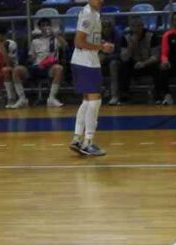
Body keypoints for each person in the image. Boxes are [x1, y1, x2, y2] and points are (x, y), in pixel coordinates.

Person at [70, 0, 115, 157]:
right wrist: (102, 47)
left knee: (87, 101)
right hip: (86, 62)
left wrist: (101, 43)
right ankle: (88, 142)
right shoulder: (89, 13)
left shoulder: (93, 12)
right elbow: (79, 41)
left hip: (85, 61)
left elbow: (88, 39)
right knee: (95, 101)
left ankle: (77, 138)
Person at [109, 17, 158, 105]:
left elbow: (155, 56)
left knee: (158, 66)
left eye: (139, 26)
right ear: (130, 27)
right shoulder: (125, 37)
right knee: (122, 66)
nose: (136, 29)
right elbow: (124, 57)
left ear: (143, 26)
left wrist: (144, 63)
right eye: (133, 26)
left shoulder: (151, 36)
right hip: (133, 65)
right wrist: (131, 46)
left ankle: (159, 94)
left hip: (148, 63)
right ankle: (124, 94)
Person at [0, 28, 28, 109]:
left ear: (5, 35)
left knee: (5, 70)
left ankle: (11, 99)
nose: (0, 37)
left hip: (11, 67)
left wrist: (3, 50)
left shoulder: (11, 44)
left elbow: (9, 63)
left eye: (2, 35)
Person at [27, 18, 66, 107]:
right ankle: (21, 99)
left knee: (59, 68)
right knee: (21, 70)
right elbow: (31, 58)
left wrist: (55, 34)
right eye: (43, 26)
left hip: (50, 67)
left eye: (47, 25)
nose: (45, 28)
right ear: (40, 28)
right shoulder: (35, 41)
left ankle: (51, 98)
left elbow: (65, 46)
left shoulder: (55, 40)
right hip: (37, 67)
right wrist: (31, 60)